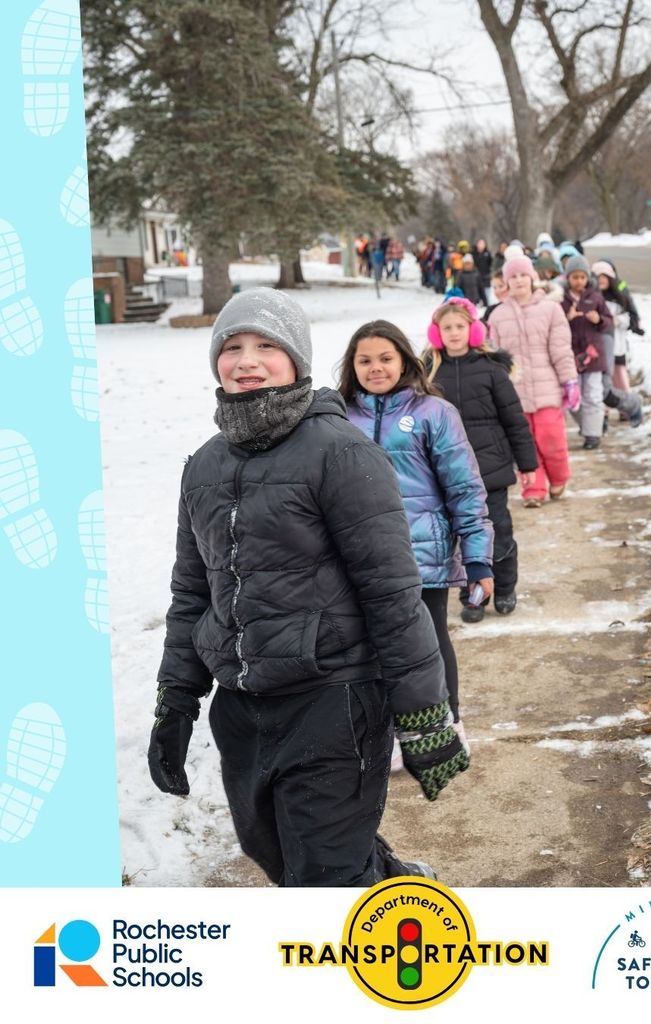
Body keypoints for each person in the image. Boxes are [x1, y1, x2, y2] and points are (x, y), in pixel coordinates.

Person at [147, 288, 469, 887]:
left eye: (266, 345)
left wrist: (424, 717)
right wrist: (176, 702)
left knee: (320, 876)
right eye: (232, 346)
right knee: (271, 850)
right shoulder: (204, 466)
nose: (246, 360)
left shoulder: (343, 454)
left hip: (334, 700)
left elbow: (393, 597)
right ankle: (386, 878)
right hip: (242, 706)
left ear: (296, 358)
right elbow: (192, 594)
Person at [340, 320, 494, 754]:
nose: (375, 368)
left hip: (421, 554)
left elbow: (465, 488)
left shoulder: (433, 413)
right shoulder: (338, 416)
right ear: (352, 366)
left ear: (405, 360)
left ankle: (445, 727)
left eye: (385, 358)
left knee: (428, 642)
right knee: (366, 646)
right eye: (365, 360)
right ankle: (383, 733)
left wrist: (478, 559)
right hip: (359, 555)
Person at [424, 297, 538, 621]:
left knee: (498, 533)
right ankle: (472, 594)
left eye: (460, 326)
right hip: (447, 472)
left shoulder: (492, 370)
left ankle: (504, 587)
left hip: (491, 469)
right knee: (459, 538)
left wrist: (527, 464)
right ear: (437, 334)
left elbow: (515, 420)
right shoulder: (428, 372)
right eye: (447, 328)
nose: (454, 333)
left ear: (473, 330)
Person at [488, 256, 579, 506]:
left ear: (532, 277)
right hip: (515, 392)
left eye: (522, 275)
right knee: (525, 444)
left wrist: (569, 380)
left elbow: (561, 349)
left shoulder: (550, 309)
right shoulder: (497, 316)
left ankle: (559, 477)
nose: (518, 281)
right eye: (512, 277)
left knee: (551, 438)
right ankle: (533, 489)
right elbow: (495, 358)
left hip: (547, 386)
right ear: (506, 282)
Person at [561, 255, 613, 450]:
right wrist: (568, 318)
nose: (579, 281)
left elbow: (608, 322)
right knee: (574, 396)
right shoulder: (561, 300)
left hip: (593, 355)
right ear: (568, 278)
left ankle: (593, 435)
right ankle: (588, 425)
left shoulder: (595, 297)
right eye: (574, 277)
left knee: (593, 394)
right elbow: (555, 326)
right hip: (572, 356)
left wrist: (598, 319)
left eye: (582, 277)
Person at [591, 259, 644, 428]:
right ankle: (603, 415)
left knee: (620, 381)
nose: (601, 281)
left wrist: (616, 321)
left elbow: (629, 318)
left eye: (604, 277)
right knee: (602, 386)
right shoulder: (592, 299)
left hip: (617, 348)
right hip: (598, 350)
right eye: (598, 278)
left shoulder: (619, 298)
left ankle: (628, 409)